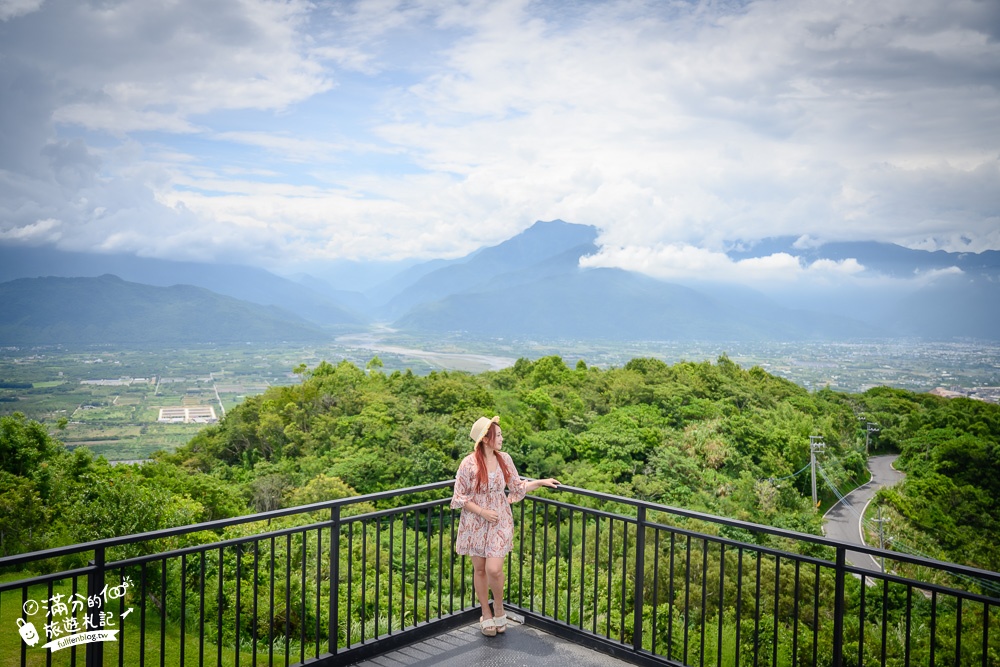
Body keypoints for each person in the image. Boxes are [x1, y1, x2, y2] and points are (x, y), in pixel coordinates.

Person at [450, 415, 560, 636]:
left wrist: (539, 482)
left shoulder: (504, 459)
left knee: (494, 568)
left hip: (500, 519)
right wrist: (482, 512)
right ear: (485, 439)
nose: (501, 438)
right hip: (475, 522)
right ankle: (486, 613)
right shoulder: (468, 463)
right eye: (497, 435)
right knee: (480, 569)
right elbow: (459, 497)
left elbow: (516, 487)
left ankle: (498, 606)